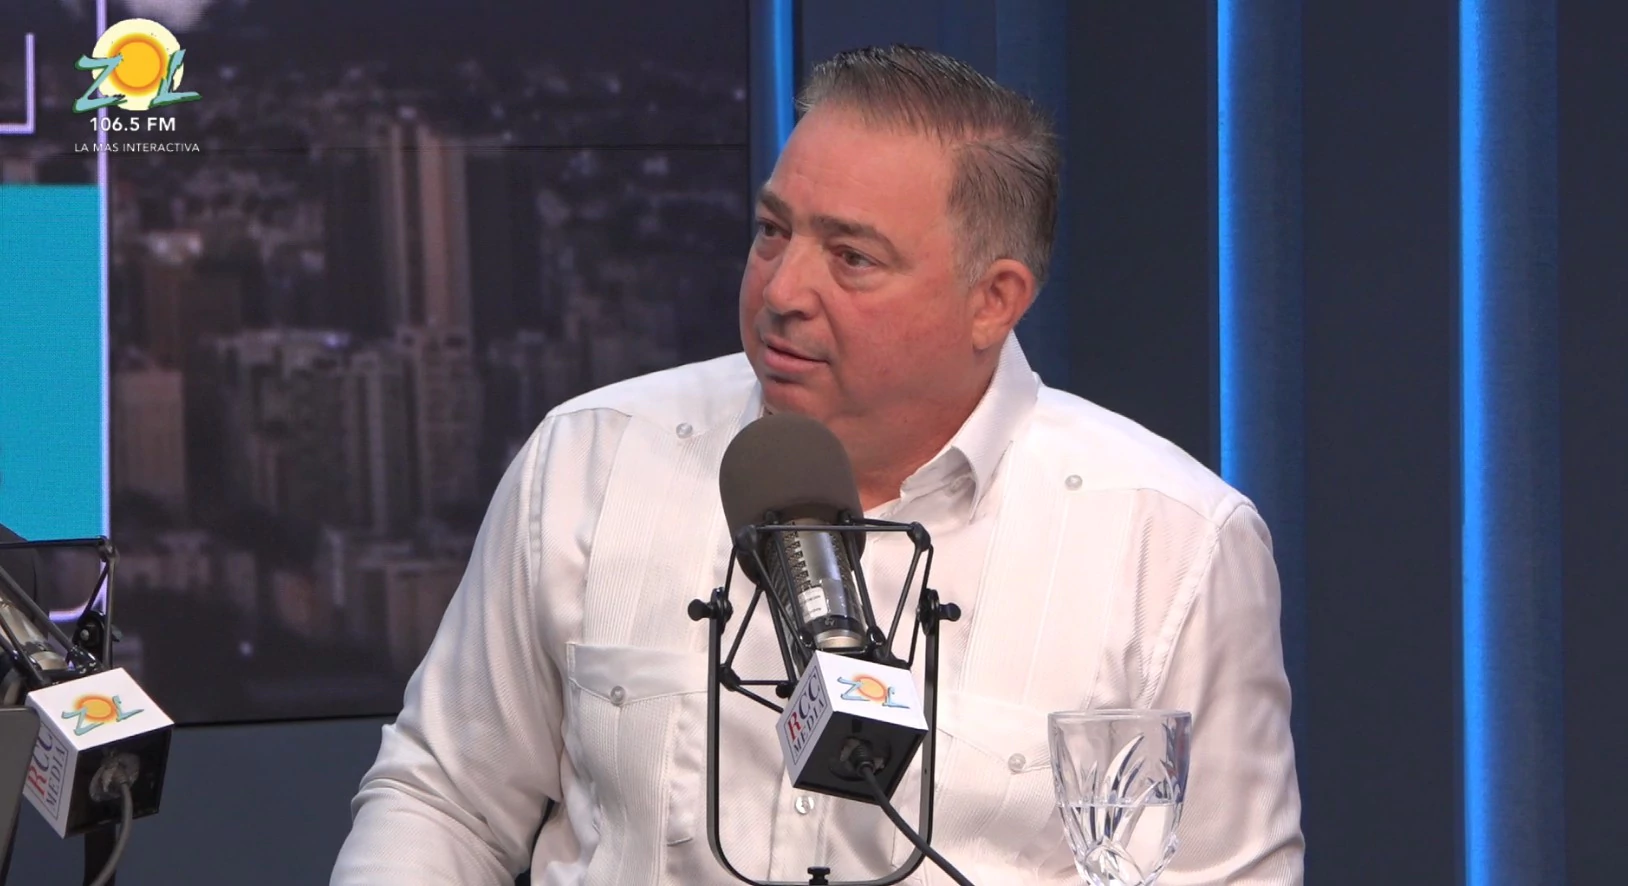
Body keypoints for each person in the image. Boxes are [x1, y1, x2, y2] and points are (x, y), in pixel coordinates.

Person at [332, 45, 1303, 885]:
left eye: (851, 258)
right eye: (773, 231)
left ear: (993, 300)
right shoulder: (591, 458)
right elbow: (445, 798)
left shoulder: (1168, 544)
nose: (782, 289)